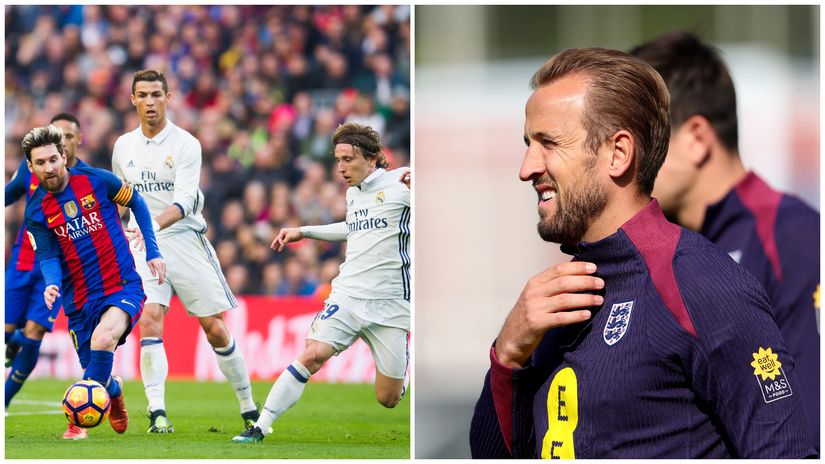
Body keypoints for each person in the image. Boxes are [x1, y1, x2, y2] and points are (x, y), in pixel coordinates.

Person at [468, 48, 816, 458]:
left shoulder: (699, 282)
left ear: (618, 153)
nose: (526, 168)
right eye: (529, 143)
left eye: (549, 143)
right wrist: (507, 353)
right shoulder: (553, 299)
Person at [630, 32, 820, 448]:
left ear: (696, 139)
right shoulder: (650, 249)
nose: (625, 157)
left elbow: (806, 429)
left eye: (643, 138)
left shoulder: (793, 238)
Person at [233, 123, 411, 443]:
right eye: (338, 159)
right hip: (348, 294)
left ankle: (405, 362)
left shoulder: (402, 183)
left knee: (389, 398)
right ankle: (260, 426)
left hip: (390, 302)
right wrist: (304, 230)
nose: (341, 168)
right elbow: (354, 228)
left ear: (372, 159)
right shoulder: (353, 193)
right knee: (312, 353)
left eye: (348, 159)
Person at [111, 69, 259, 434]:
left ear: (168, 98)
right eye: (142, 95)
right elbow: (118, 202)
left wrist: (150, 228)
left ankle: (248, 407)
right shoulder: (122, 146)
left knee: (215, 329)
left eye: (156, 95)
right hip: (142, 245)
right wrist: (119, 238)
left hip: (183, 239)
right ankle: (157, 412)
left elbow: (184, 202)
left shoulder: (186, 144)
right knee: (149, 315)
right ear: (132, 99)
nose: (149, 102)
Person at [22, 124, 165, 439]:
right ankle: (113, 391)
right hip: (79, 301)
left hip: (121, 286)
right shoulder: (36, 211)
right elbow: (47, 257)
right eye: (40, 163)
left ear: (63, 156)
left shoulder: (97, 180)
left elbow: (137, 203)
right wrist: (51, 283)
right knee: (96, 368)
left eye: (52, 159)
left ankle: (77, 424)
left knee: (103, 341)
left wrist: (153, 251)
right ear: (30, 167)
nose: (49, 168)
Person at [5, 113, 87, 409]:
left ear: (75, 142)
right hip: (20, 263)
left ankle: (3, 401)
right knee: (7, 335)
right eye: (58, 133)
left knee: (35, 333)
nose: (62, 139)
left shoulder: (86, 179)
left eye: (68, 135)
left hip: (54, 271)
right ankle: (11, 339)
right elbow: (8, 195)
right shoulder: (31, 170)